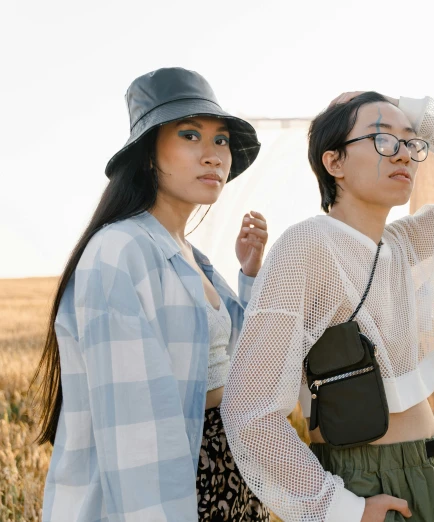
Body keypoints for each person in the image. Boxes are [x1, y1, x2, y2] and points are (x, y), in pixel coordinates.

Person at [221, 91, 434, 522]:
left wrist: (412, 109)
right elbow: (249, 409)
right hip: (365, 484)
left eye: (410, 143)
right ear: (334, 163)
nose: (403, 155)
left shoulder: (401, 243)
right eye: (382, 139)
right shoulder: (307, 245)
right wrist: (341, 509)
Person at [35, 67, 271, 521]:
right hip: (178, 485)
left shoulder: (190, 255)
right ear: (147, 156)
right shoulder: (119, 251)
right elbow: (135, 436)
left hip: (230, 473)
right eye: (190, 135)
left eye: (221, 140)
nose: (213, 155)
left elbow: (251, 361)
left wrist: (250, 273)